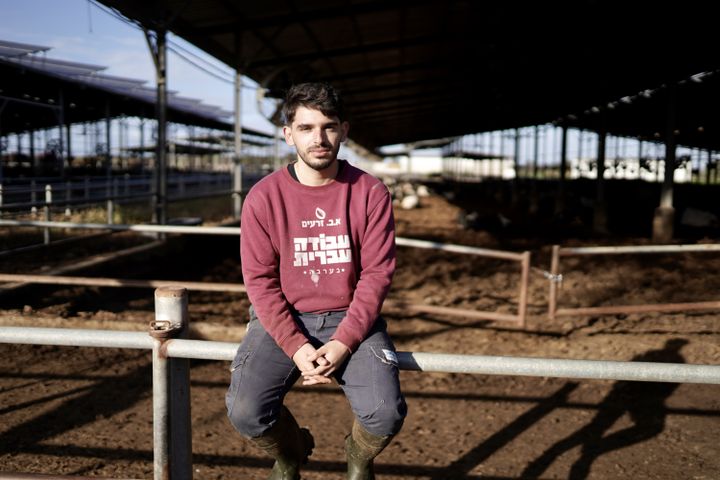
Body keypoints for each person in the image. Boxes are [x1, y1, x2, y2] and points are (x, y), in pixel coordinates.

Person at [226, 82, 407, 480]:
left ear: (344, 129)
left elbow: (377, 273)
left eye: (328, 126)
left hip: (350, 316)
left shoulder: (370, 192)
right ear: (288, 134)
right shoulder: (263, 197)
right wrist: (295, 345)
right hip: (283, 317)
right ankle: (290, 455)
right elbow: (259, 280)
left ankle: (358, 456)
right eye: (306, 128)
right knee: (245, 411)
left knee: (385, 412)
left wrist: (344, 341)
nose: (319, 138)